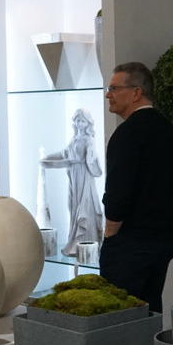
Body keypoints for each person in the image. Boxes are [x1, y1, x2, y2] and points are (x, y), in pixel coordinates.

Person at [99, 62, 173, 314]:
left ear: (136, 92)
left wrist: (110, 234)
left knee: (120, 314)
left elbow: (118, 192)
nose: (108, 95)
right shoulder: (168, 131)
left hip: (131, 241)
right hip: (166, 236)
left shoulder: (125, 135)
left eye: (114, 88)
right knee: (150, 307)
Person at [40, 108, 104, 255]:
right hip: (73, 175)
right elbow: (64, 153)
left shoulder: (89, 140)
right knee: (74, 206)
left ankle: (86, 240)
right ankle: (74, 241)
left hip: (84, 175)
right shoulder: (74, 139)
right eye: (77, 120)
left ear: (88, 123)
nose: (79, 123)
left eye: (82, 121)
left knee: (84, 205)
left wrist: (89, 162)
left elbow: (90, 160)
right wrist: (48, 158)